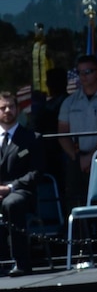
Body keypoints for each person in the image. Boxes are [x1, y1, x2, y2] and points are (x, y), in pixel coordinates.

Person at [55, 54, 97, 207]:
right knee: (75, 206)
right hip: (76, 161)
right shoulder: (69, 102)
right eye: (80, 72)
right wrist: (77, 158)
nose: (83, 76)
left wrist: (90, 158)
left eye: (88, 72)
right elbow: (62, 134)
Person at [0, 90, 44, 276]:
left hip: (21, 192)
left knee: (11, 203)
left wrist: (9, 187)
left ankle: (21, 262)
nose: (7, 110)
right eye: (3, 107)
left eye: (11, 106)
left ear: (18, 109)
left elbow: (37, 172)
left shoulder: (31, 138)